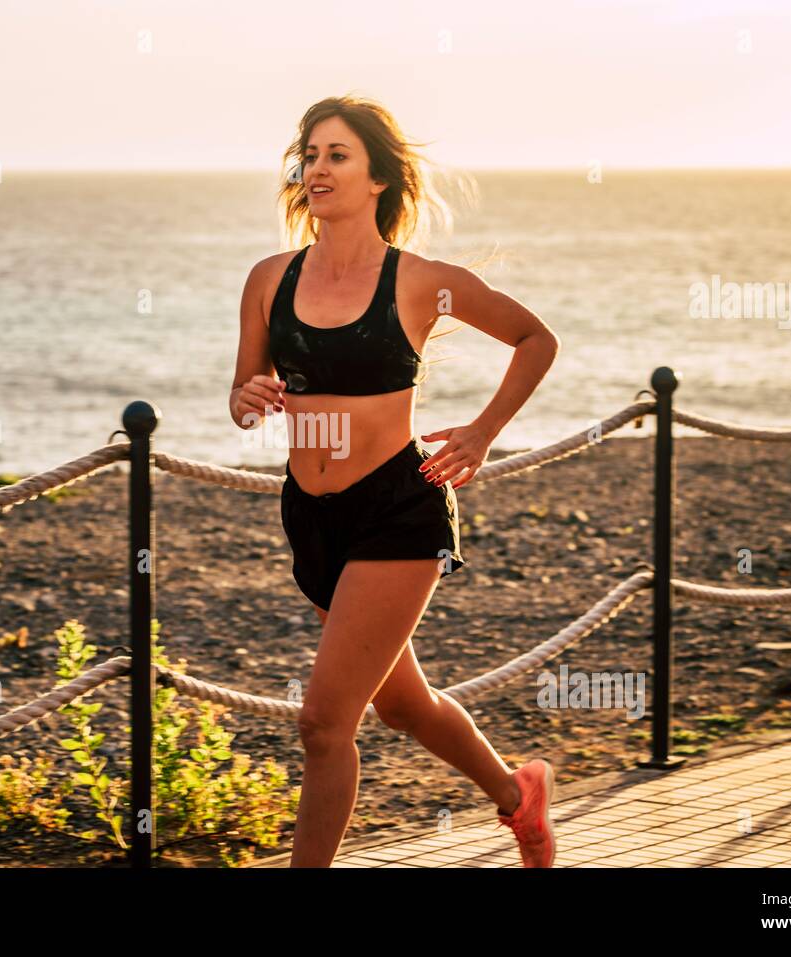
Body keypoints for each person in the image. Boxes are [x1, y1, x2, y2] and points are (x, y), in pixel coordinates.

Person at [228, 94, 561, 868]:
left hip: (395, 510)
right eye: (309, 155)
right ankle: (519, 796)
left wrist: (482, 432)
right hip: (309, 518)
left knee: (323, 723)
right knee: (403, 703)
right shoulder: (269, 279)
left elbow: (534, 338)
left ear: (378, 176)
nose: (317, 168)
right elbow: (246, 389)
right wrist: (246, 399)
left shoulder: (420, 282)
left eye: (336, 155)